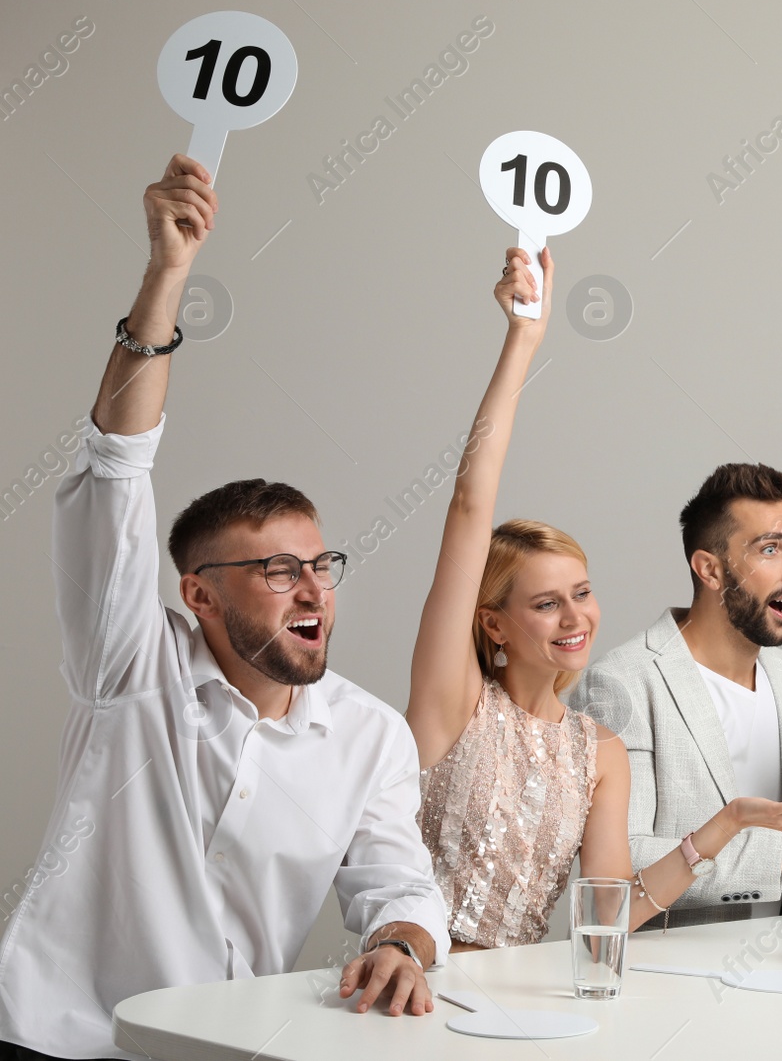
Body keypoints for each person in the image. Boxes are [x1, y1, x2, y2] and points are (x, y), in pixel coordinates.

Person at [0, 156, 449, 1061]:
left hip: (225, 1048)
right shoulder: (128, 667)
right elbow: (112, 471)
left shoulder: (368, 737)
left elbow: (398, 881)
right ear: (197, 593)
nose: (315, 588)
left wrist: (403, 943)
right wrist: (167, 277)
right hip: (58, 1040)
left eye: (321, 565)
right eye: (278, 571)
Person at [406, 253, 782, 944]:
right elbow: (468, 506)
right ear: (491, 623)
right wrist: (522, 342)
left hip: (515, 1005)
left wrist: (727, 824)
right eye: (546, 604)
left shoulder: (594, 749)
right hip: (413, 984)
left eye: (581, 593)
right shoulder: (452, 706)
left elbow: (610, 913)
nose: (576, 617)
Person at [570, 464, 782, 927]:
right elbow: (623, 871)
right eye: (771, 550)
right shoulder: (621, 684)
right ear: (710, 569)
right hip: (667, 979)